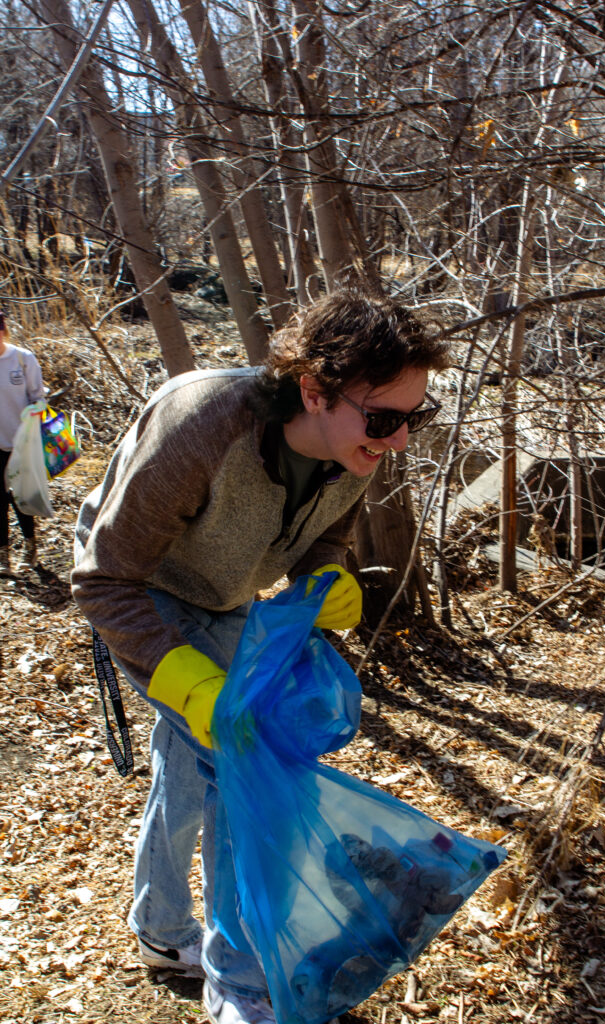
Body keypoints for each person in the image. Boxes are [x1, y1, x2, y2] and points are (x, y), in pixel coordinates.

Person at [71, 289, 449, 1024]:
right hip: (143, 590)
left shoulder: (355, 448)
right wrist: (183, 679)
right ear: (313, 389)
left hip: (224, 595)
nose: (398, 440)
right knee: (235, 773)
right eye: (384, 419)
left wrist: (323, 577)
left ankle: (159, 930)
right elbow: (103, 577)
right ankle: (241, 983)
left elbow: (323, 534)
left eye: (414, 418)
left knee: (190, 774)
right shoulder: (203, 422)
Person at [0, 310, 45, 574]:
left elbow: (38, 398)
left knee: (22, 498)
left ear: (3, 330)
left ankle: (30, 549)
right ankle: (3, 555)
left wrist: (33, 416)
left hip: (20, 441)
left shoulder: (22, 358)